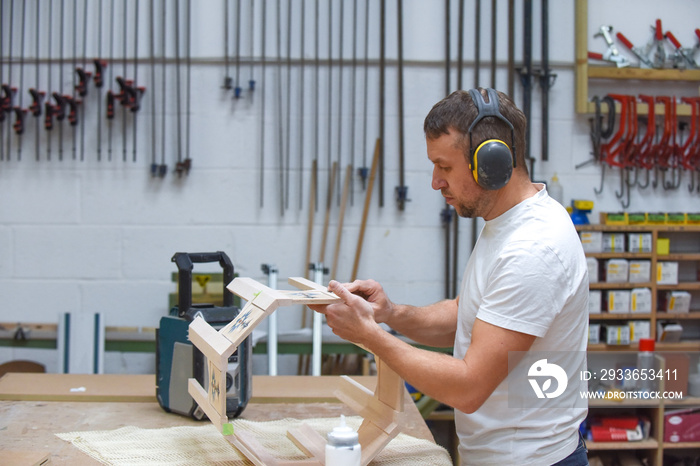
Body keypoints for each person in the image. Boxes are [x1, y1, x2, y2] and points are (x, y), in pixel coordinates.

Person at [311, 88, 589, 465]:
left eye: (444, 167)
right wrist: (390, 313)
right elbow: (470, 316)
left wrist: (370, 337)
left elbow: (469, 386)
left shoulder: (533, 249)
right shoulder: (506, 225)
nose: (435, 182)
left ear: (491, 163)